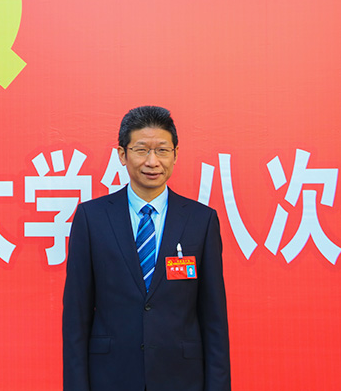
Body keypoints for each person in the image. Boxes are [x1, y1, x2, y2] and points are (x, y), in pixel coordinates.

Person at [62, 106, 230, 391]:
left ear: (175, 154)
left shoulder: (201, 220)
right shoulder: (92, 218)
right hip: (111, 377)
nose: (153, 162)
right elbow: (76, 317)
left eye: (162, 150)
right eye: (141, 150)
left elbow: (214, 319)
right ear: (122, 154)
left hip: (182, 378)